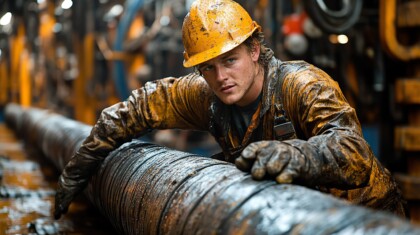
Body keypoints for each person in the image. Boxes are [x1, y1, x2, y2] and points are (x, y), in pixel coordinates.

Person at [54, 0, 405, 219]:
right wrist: (78, 169)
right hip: (292, 216)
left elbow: (353, 153)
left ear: (254, 50)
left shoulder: (302, 85)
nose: (221, 77)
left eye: (230, 60)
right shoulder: (208, 93)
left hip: (363, 216)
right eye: (207, 67)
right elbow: (136, 109)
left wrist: (294, 155)